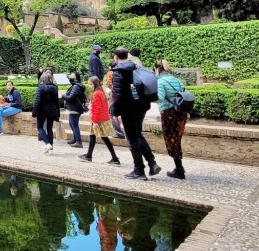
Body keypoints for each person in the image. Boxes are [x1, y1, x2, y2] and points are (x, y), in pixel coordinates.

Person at [110, 46, 161, 180]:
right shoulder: (136, 67)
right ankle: (152, 163)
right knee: (138, 135)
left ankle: (139, 170)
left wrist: (114, 112)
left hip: (128, 110)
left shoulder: (118, 71)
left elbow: (118, 95)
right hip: (141, 107)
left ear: (115, 57)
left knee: (132, 139)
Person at [155, 60, 188, 179]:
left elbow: (160, 97)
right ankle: (179, 167)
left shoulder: (161, 81)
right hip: (181, 113)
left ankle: (179, 169)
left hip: (169, 114)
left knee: (171, 140)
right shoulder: (177, 80)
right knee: (177, 138)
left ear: (158, 69)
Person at [79, 75, 121, 164]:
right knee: (92, 136)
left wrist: (95, 121)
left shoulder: (97, 93)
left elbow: (97, 109)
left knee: (104, 138)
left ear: (95, 84)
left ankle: (115, 158)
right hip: (101, 118)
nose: (89, 86)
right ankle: (88, 155)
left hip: (99, 119)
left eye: (90, 84)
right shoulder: (101, 91)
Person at [34, 70, 60, 155]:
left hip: (42, 111)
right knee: (49, 129)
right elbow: (57, 102)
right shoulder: (55, 87)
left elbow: (37, 101)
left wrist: (34, 112)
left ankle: (47, 144)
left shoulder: (40, 88)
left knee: (40, 128)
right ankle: (51, 149)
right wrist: (58, 112)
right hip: (52, 110)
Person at [63, 72, 87, 148]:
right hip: (73, 108)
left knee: (74, 124)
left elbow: (70, 97)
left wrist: (63, 96)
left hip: (75, 108)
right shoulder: (75, 86)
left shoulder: (76, 87)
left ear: (76, 78)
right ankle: (75, 139)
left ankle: (78, 142)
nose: (70, 78)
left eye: (72, 76)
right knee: (71, 123)